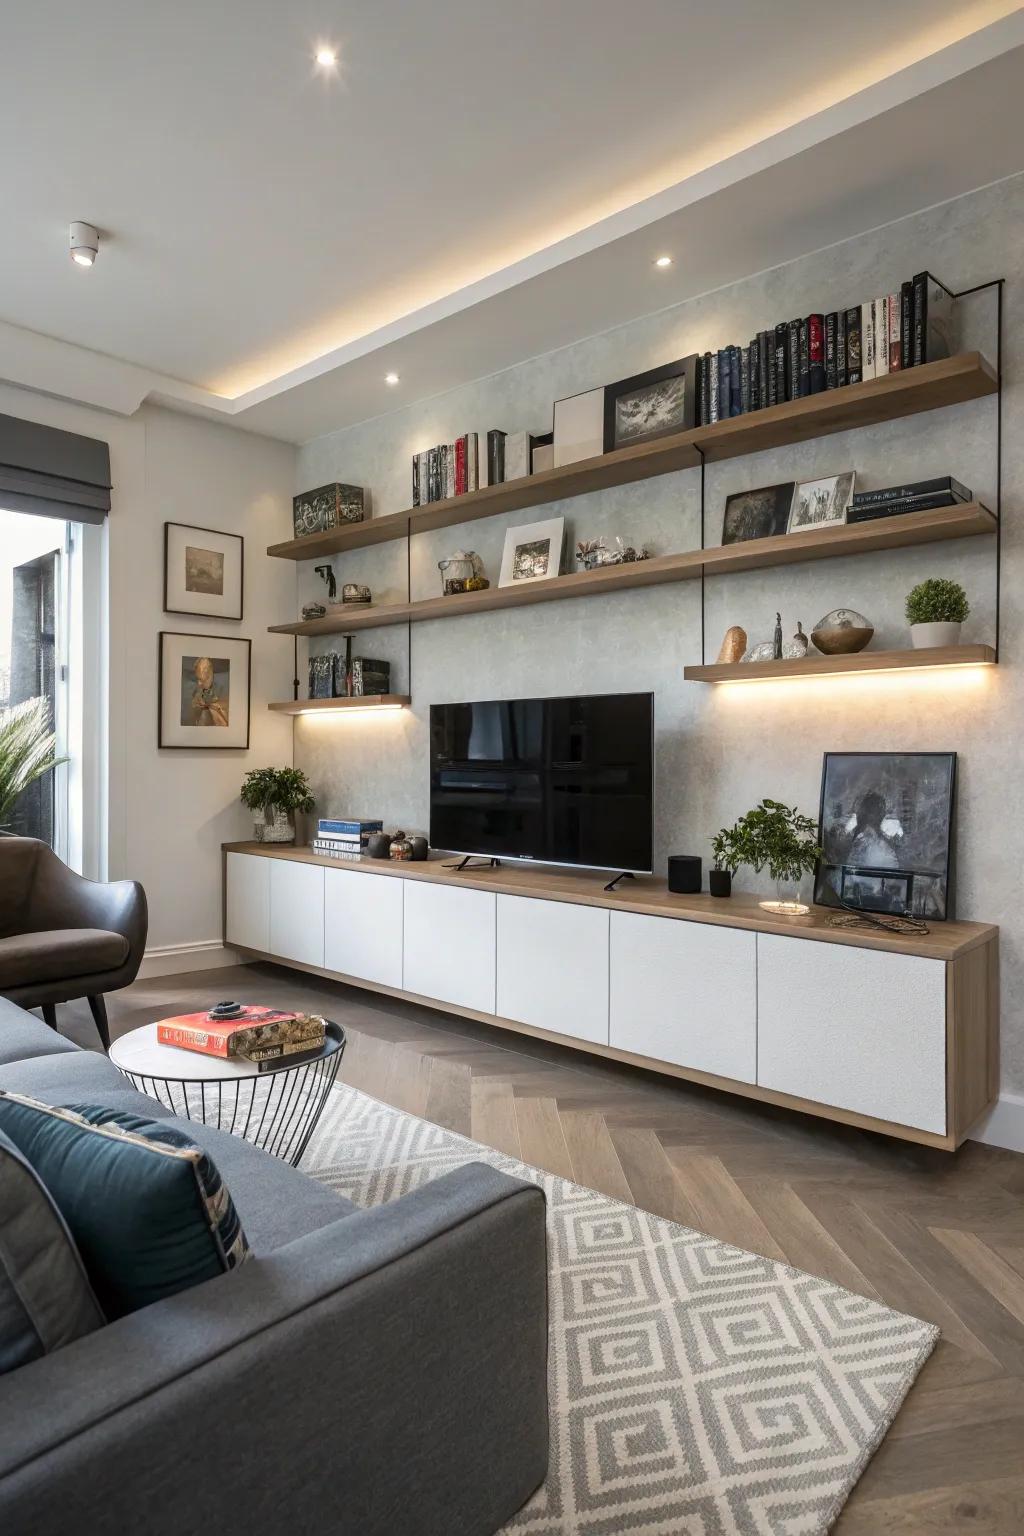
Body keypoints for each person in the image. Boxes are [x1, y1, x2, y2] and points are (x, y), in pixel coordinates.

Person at [188, 656, 228, 727]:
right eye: (197, 678)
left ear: (210, 675)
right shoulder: (197, 689)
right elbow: (193, 708)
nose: (199, 683)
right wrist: (196, 704)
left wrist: (213, 707)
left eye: (202, 680)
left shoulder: (225, 687)